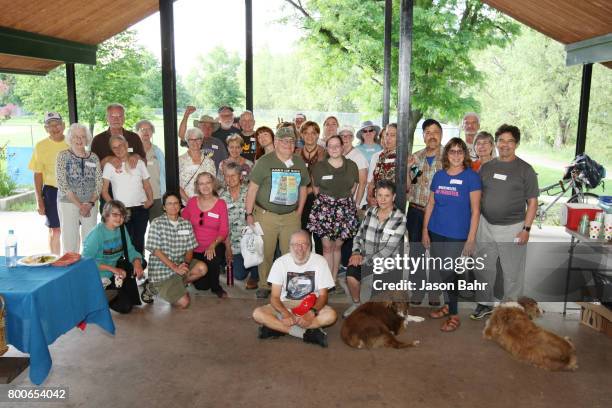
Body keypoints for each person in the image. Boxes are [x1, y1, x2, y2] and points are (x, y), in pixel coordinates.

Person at [470, 124, 539, 320]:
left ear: (516, 143)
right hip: (485, 225)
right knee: (483, 267)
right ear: (496, 143)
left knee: (512, 273)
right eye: (501, 140)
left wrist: (526, 229)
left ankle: (510, 310)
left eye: (510, 141)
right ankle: (484, 304)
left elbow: (533, 202)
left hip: (513, 228)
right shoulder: (487, 167)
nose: (505, 145)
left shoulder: (525, 170)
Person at [422, 138, 481, 332]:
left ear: (464, 155)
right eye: (452, 151)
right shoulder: (439, 176)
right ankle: (448, 305)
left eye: (459, 151)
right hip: (436, 230)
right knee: (442, 271)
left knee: (450, 273)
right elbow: (430, 204)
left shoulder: (471, 177)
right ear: (446, 154)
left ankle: (454, 314)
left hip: (457, 234)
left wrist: (471, 238)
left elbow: (475, 210)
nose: (456, 155)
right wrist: (425, 230)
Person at [245, 127, 310, 299]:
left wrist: (299, 212)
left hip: (290, 217)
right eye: (284, 140)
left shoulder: (298, 162)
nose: (288, 144)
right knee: (265, 252)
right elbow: (252, 189)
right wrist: (249, 214)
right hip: (266, 215)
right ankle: (264, 284)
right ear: (276, 142)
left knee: (293, 251)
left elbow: (303, 188)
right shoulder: (264, 162)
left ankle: (291, 283)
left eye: (291, 141)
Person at [252, 230, 337, 348]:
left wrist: (312, 312)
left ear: (310, 246)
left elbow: (323, 296)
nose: (300, 248)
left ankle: (277, 327)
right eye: (296, 244)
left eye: (304, 244)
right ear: (290, 247)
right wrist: (286, 313)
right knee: (258, 314)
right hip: (285, 303)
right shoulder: (280, 263)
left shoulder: (320, 261)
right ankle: (305, 334)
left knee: (331, 316)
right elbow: (275, 297)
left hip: (310, 304)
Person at [344, 180, 407, 318]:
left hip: (386, 264)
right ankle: (356, 304)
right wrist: (356, 252)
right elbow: (359, 235)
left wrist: (364, 260)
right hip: (365, 258)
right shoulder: (369, 212)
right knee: (351, 275)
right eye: (379, 195)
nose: (383, 199)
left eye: (387, 196)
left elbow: (388, 250)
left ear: (394, 197)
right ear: (375, 196)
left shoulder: (400, 218)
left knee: (378, 310)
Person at [308, 135, 359, 289]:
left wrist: (341, 203)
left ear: (343, 147)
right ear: (327, 148)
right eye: (331, 146)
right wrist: (329, 203)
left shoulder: (352, 165)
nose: (335, 149)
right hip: (324, 209)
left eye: (338, 145)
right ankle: (325, 280)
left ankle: (333, 278)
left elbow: (353, 187)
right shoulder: (319, 167)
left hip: (344, 209)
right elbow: (316, 189)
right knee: (327, 247)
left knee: (337, 247)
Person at [144, 192, 207, 308]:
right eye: (169, 204)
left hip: (180, 265)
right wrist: (174, 267)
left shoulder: (186, 224)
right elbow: (155, 250)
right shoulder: (157, 223)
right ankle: (152, 287)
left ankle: (178, 285)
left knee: (202, 268)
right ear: (164, 207)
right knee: (184, 303)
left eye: (176, 203)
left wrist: (186, 264)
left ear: (180, 205)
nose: (173, 206)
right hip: (162, 271)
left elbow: (190, 248)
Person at [406, 119, 444, 306]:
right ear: (423, 136)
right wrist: (407, 168)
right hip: (415, 211)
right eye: (428, 132)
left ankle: (435, 292)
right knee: (416, 252)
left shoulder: (449, 157)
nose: (432, 135)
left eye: (435, 131)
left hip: (439, 213)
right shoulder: (415, 158)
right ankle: (418, 290)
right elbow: (409, 185)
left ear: (441, 134)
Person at [82, 200, 144, 312]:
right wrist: (113, 269)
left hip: (113, 274)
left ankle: (105, 294)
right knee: (125, 307)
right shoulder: (97, 234)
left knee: (141, 262)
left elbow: (129, 250)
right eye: (115, 214)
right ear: (106, 215)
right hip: (98, 274)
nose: (119, 218)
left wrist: (137, 262)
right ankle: (94, 292)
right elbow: (85, 262)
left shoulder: (121, 228)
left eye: (122, 215)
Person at [101, 135, 154, 257]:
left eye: (120, 145)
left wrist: (150, 199)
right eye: (114, 148)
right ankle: (126, 271)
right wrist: (115, 208)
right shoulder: (110, 166)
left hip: (141, 209)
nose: (118, 149)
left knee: (139, 240)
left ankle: (139, 269)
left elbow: (147, 185)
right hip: (122, 211)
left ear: (126, 145)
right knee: (125, 241)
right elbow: (104, 191)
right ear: (112, 151)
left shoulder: (139, 162)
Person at [55, 123, 101, 254]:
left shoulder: (93, 157)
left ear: (87, 139)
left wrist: (89, 203)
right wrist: (80, 205)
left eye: (83, 136)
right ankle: (70, 270)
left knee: (90, 240)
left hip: (90, 204)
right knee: (70, 240)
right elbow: (62, 183)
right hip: (68, 203)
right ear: (70, 138)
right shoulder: (63, 156)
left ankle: (87, 270)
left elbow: (98, 183)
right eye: (76, 136)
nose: (79, 140)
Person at [182, 172, 229, 298]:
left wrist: (212, 245)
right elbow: (182, 222)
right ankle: (184, 280)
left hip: (213, 245)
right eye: (201, 183)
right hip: (194, 249)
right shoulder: (192, 202)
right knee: (202, 287)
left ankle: (216, 287)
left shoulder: (221, 204)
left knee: (212, 257)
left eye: (208, 182)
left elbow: (224, 231)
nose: (205, 186)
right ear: (197, 186)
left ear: (213, 184)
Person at [29, 112, 69, 254]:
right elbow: (38, 174)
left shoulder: (72, 142)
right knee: (55, 229)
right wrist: (39, 199)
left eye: (57, 124)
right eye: (50, 125)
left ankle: (71, 261)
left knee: (71, 229)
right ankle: (55, 261)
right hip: (52, 191)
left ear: (63, 125)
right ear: (46, 128)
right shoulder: (41, 146)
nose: (54, 128)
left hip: (72, 191)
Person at [220, 162, 259, 289]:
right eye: (227, 176)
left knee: (256, 269)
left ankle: (254, 272)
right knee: (239, 275)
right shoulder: (221, 198)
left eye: (234, 175)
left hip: (252, 242)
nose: (230, 179)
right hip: (235, 244)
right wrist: (228, 248)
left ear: (240, 176)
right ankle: (245, 264)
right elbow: (223, 226)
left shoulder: (250, 192)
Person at [295, 120, 326, 254]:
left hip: (318, 198)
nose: (310, 136)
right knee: (303, 235)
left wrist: (311, 189)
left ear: (318, 135)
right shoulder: (295, 153)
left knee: (319, 237)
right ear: (301, 135)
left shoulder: (325, 153)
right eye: (306, 133)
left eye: (313, 133)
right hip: (300, 199)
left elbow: (327, 177)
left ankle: (320, 267)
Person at [136, 119, 166, 220]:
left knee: (158, 230)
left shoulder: (158, 152)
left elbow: (164, 174)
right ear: (137, 132)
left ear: (152, 132)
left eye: (149, 129)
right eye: (142, 129)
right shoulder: (132, 152)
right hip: (138, 198)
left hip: (156, 196)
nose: (146, 132)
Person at [179, 127, 216, 203]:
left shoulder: (209, 161)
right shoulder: (180, 160)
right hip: (185, 203)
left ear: (202, 141)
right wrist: (189, 202)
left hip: (205, 203)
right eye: (191, 139)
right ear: (187, 141)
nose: (195, 142)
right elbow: (176, 184)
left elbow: (213, 183)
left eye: (198, 139)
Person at [366, 123, 397, 206]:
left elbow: (409, 185)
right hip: (376, 204)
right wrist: (369, 197)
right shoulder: (381, 155)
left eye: (393, 135)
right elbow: (373, 180)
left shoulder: (403, 157)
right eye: (386, 134)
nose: (388, 138)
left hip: (390, 205)